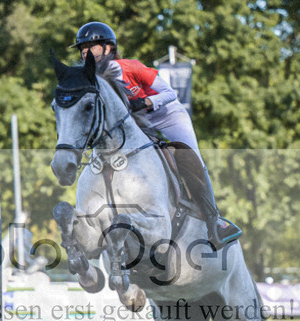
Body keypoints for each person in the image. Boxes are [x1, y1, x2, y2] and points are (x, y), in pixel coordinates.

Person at [72, 21, 241, 247]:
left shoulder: (130, 67)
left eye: (91, 47)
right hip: (136, 121)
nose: (85, 53)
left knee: (194, 159)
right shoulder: (89, 79)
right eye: (82, 49)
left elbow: (169, 93)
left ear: (108, 48)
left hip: (167, 114)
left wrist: (148, 101)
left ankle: (215, 221)